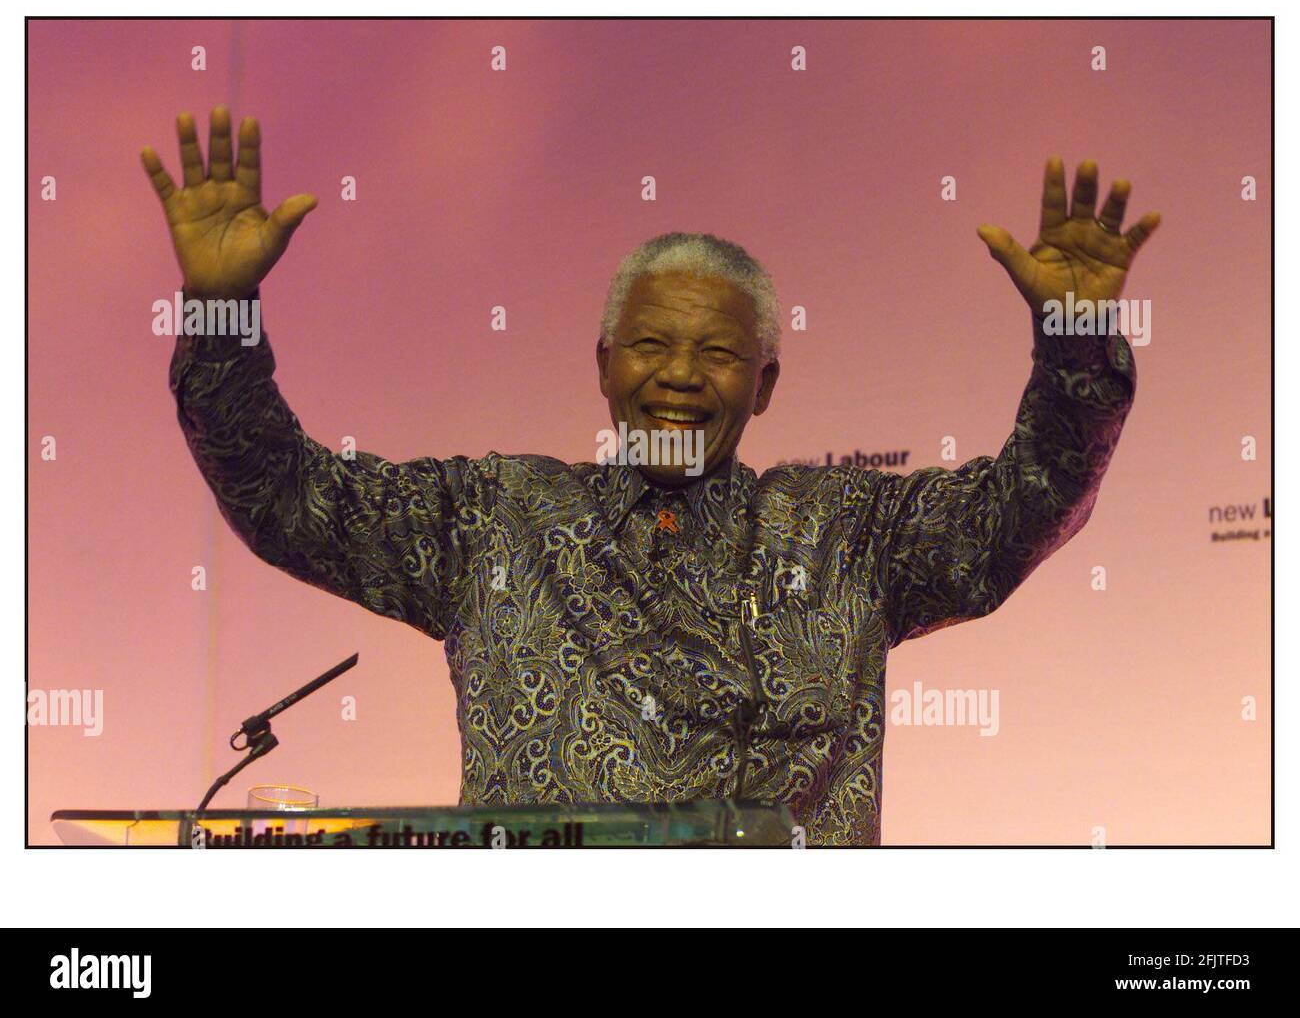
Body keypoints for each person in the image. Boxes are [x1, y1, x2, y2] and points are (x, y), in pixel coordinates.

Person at [143, 106, 1160, 845]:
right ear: (602, 366)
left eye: (715, 353)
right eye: (648, 344)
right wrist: (222, 316)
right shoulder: (492, 517)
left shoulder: (853, 531)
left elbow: (1026, 504)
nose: (677, 374)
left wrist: (1074, 341)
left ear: (763, 384)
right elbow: (285, 497)